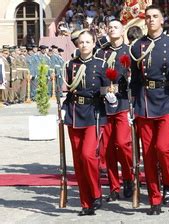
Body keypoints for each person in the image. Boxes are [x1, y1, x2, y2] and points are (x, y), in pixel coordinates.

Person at [130, 5, 169, 215]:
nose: (151, 20)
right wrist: (132, 104)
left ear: (163, 21)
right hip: (145, 103)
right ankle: (155, 198)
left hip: (168, 100)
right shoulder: (138, 46)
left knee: (164, 148)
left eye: (155, 17)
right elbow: (135, 80)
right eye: (148, 17)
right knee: (150, 153)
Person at [62, 30, 110, 216]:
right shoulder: (70, 65)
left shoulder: (101, 64)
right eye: (81, 42)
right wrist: (63, 106)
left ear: (93, 43)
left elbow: (107, 90)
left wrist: (111, 97)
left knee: (88, 156)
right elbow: (68, 90)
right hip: (74, 114)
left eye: (87, 42)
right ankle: (86, 203)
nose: (84, 45)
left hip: (93, 114)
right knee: (79, 161)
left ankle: (96, 193)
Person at [95, 19, 133, 202]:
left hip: (124, 102)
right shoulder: (101, 53)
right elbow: (96, 81)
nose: (112, 29)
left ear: (123, 30)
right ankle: (113, 186)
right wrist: (105, 93)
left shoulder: (130, 51)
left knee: (123, 144)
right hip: (105, 103)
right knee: (107, 148)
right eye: (109, 27)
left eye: (115, 27)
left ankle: (128, 177)